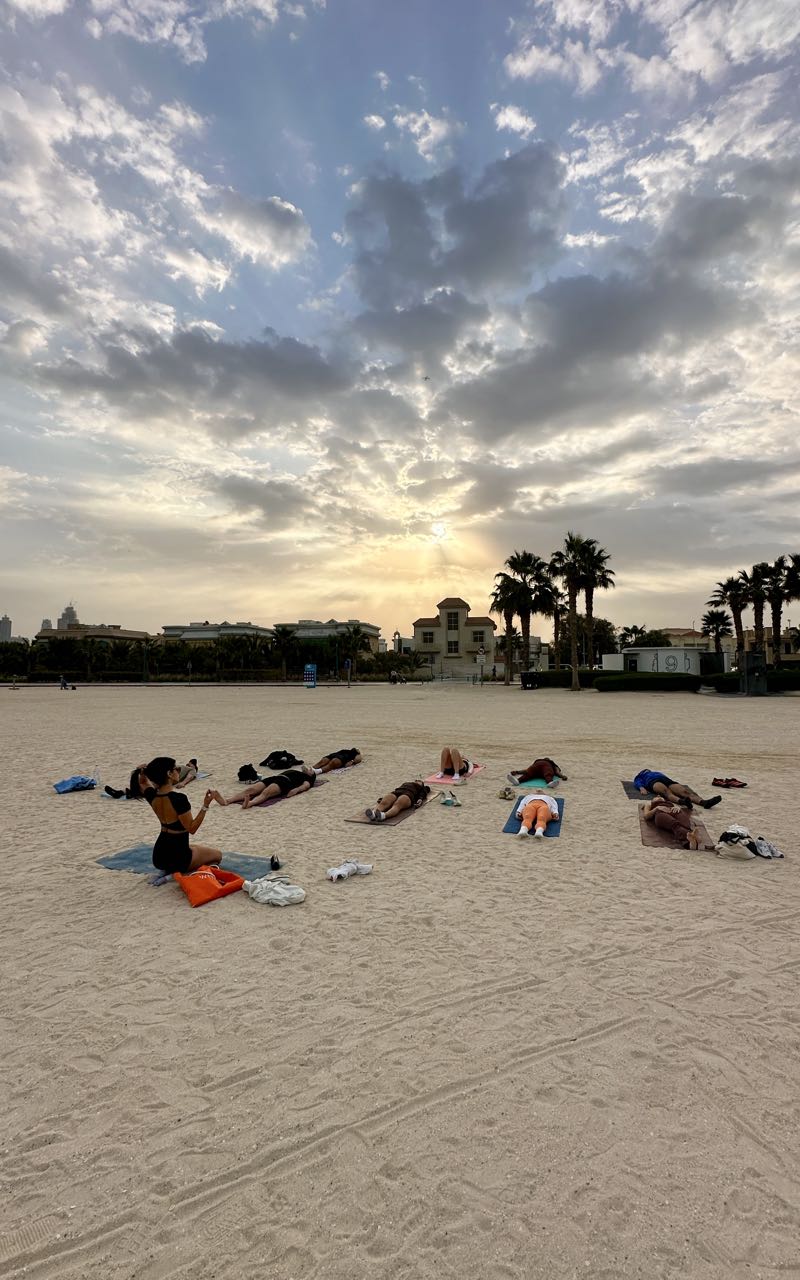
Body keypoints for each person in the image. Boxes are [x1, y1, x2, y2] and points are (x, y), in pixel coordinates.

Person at [138, 757, 221, 875]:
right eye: (176, 768)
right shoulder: (178, 799)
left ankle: (168, 873)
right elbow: (192, 828)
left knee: (194, 848)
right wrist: (205, 805)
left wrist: (142, 773)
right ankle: (174, 875)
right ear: (169, 774)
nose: (179, 771)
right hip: (179, 859)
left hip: (159, 857)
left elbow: (143, 782)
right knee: (217, 856)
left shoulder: (153, 796)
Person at [213, 765, 317, 809]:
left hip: (286, 782)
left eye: (311, 770)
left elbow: (304, 787)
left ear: (312, 775)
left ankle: (250, 803)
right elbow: (303, 767)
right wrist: (307, 770)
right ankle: (227, 801)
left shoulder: (309, 780)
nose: (310, 769)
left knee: (266, 792)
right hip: (275, 777)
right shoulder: (302, 772)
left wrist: (294, 791)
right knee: (251, 789)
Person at [633, 768, 721, 809]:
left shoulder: (656, 772)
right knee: (666, 792)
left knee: (685, 792)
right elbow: (637, 782)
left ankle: (704, 802)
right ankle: (683, 802)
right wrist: (641, 787)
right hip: (653, 782)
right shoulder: (640, 776)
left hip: (667, 780)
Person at [366, 779, 430, 822]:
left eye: (419, 781)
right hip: (397, 792)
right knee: (384, 802)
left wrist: (420, 799)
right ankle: (373, 814)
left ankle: (384, 815)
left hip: (409, 794)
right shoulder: (407, 783)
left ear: (422, 784)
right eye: (416, 780)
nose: (417, 780)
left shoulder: (422, 788)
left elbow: (424, 792)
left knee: (397, 804)